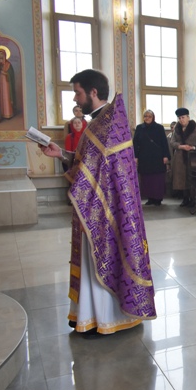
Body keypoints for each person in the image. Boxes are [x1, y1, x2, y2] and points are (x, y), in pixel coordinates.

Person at [39, 69, 156, 336]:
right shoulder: (100, 123)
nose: (75, 99)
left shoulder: (107, 125)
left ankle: (104, 318)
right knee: (93, 259)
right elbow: (88, 164)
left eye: (78, 93)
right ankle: (88, 314)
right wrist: (61, 154)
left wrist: (69, 162)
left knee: (100, 259)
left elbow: (93, 169)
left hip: (105, 208)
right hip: (97, 204)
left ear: (93, 92)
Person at [133, 109, 171, 206]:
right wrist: (135, 156)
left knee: (157, 179)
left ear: (153, 117)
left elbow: (164, 142)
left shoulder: (159, 128)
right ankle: (150, 198)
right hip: (144, 157)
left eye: (149, 116)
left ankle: (158, 198)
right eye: (145, 116)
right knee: (147, 179)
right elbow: (135, 143)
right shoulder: (139, 128)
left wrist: (166, 156)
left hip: (157, 157)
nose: (147, 118)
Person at [171, 108, 196, 207]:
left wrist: (192, 147)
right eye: (179, 118)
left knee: (191, 178)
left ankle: (193, 199)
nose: (181, 120)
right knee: (182, 178)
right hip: (180, 157)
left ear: (188, 117)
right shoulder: (177, 129)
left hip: (192, 157)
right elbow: (172, 142)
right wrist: (181, 146)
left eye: (183, 117)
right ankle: (185, 199)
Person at [0, 47, 15, 120]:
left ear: (4, 55)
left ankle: (8, 113)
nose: (0, 56)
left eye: (1, 54)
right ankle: (1, 114)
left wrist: (5, 73)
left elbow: (11, 74)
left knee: (6, 98)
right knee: (1, 98)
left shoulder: (8, 64)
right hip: (0, 83)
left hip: (6, 83)